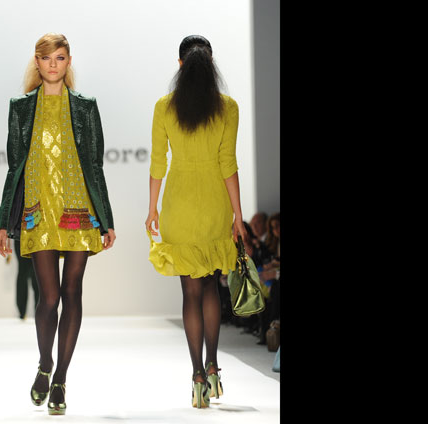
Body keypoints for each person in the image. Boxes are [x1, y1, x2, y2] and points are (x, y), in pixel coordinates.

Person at [0, 33, 116, 416]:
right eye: (46, 58)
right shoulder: (20, 108)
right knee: (48, 298)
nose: (52, 64)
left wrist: (107, 220)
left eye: (59, 58)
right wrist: (3, 223)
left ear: (68, 61)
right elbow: (14, 168)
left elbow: (94, 165)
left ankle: (60, 377)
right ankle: (45, 363)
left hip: (79, 209)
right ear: (37, 61)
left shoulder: (85, 107)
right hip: (38, 211)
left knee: (72, 292)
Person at [145, 35, 247, 409]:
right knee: (210, 287)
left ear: (180, 65)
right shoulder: (228, 108)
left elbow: (158, 162)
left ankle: (197, 376)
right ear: (211, 63)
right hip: (215, 204)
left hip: (179, 204)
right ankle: (214, 365)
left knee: (190, 291)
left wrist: (152, 209)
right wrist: (238, 215)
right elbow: (228, 164)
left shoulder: (164, 107)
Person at [13, 240, 38, 320]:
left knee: (32, 274)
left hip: (30, 239)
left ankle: (24, 312)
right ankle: (24, 311)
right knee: (32, 274)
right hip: (22, 239)